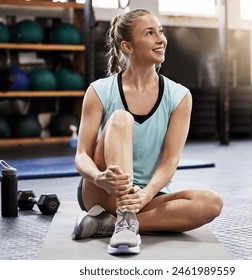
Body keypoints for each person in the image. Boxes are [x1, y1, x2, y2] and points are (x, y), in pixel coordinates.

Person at [71, 8, 223, 255]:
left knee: (211, 203)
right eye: (150, 33)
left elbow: (171, 160)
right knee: (121, 118)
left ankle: (113, 224)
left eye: (160, 32)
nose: (161, 39)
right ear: (128, 47)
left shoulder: (180, 96)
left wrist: (145, 195)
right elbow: (81, 156)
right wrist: (100, 179)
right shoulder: (99, 90)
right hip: (102, 193)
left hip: (148, 197)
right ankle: (125, 216)